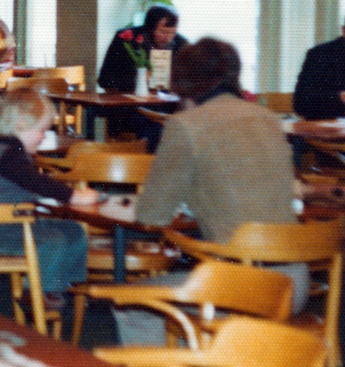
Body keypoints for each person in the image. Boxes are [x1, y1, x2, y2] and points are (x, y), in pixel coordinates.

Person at [119, 38, 306, 344]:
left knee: (131, 305)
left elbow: (152, 215)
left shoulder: (185, 125)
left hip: (241, 286)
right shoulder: (270, 119)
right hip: (294, 284)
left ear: (184, 83)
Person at [0, 89, 99, 302]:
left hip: (20, 224)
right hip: (1, 231)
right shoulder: (8, 155)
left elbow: (30, 184)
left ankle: (62, 283)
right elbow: (36, 182)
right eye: (41, 130)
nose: (44, 137)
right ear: (20, 123)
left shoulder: (9, 150)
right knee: (53, 241)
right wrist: (73, 196)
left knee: (74, 231)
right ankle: (36, 292)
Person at [97, 5, 187, 93]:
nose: (168, 37)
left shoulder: (181, 44)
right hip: (129, 97)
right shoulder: (127, 38)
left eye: (173, 32)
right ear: (150, 29)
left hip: (167, 100)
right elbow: (105, 79)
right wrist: (139, 78)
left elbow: (189, 81)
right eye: (163, 32)